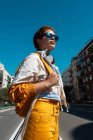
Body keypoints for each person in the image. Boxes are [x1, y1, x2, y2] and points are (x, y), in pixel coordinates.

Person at [9, 25, 65, 140]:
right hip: (41, 112)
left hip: (54, 113)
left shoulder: (52, 65)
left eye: (55, 37)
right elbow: (14, 91)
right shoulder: (33, 58)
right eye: (49, 35)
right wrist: (47, 83)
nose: (53, 38)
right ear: (38, 40)